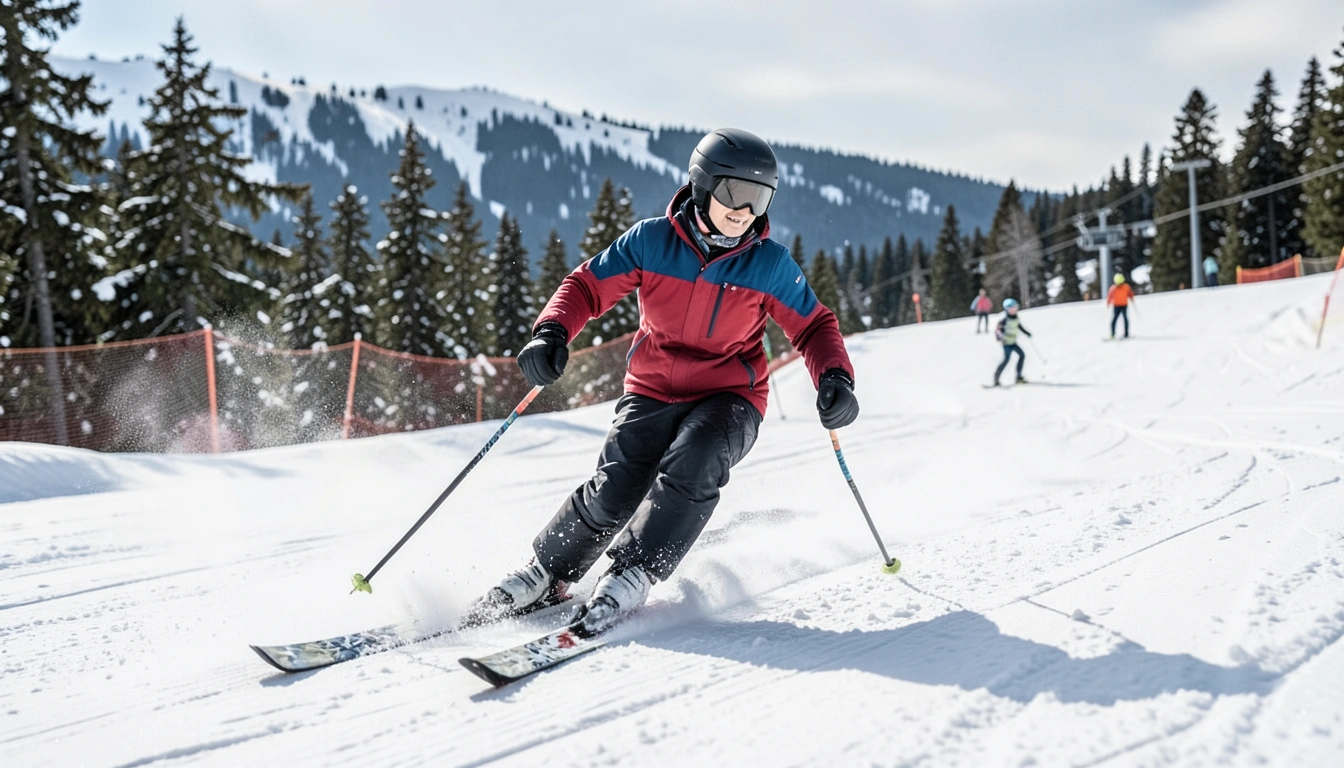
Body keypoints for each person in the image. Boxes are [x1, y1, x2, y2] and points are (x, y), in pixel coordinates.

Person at [470, 128, 858, 638]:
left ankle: (633, 571)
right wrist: (551, 331)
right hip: (651, 388)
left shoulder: (768, 265)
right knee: (616, 487)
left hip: (730, 397)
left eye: (759, 197)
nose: (744, 210)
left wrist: (835, 376)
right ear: (702, 185)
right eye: (734, 193)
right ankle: (549, 573)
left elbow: (813, 325)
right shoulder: (651, 241)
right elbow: (587, 286)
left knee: (695, 460)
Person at [992, 298, 1031, 386]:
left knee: (1022, 355)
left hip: (1013, 342)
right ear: (1007, 309)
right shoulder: (1004, 320)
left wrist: (1027, 333)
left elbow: (1020, 327)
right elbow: (997, 331)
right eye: (1012, 308)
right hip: (1006, 344)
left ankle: (1019, 377)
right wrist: (1000, 337)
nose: (1014, 310)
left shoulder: (1016, 318)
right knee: (1006, 360)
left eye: (1015, 308)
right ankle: (996, 378)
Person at [1107, 273, 1135, 338]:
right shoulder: (1113, 288)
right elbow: (1109, 296)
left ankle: (1126, 333)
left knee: (1125, 319)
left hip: (1124, 305)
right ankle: (1113, 334)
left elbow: (1130, 293)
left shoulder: (1126, 287)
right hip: (1116, 305)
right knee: (1115, 319)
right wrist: (1108, 303)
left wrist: (1132, 298)